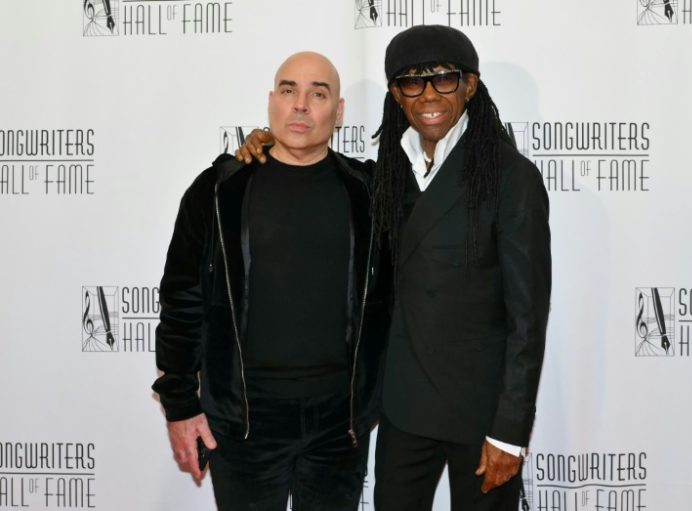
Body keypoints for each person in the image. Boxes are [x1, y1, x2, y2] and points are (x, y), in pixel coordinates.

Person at [238, 25, 550, 511]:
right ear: (395, 95)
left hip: (480, 415)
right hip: (403, 410)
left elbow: (528, 318)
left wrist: (510, 433)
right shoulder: (384, 175)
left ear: (470, 86)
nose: (428, 95)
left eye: (443, 79)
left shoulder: (511, 178)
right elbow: (314, 165)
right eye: (412, 82)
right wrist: (263, 147)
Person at [152, 51, 389, 511]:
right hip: (243, 424)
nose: (300, 105)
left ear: (338, 112)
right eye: (288, 91)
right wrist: (180, 405)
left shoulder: (369, 191)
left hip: (339, 427)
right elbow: (182, 300)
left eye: (318, 94)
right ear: (271, 102)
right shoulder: (219, 191)